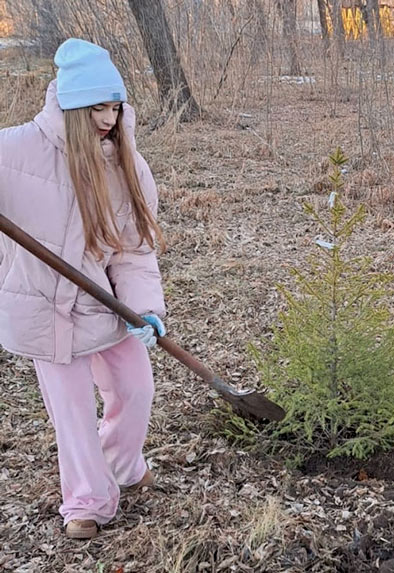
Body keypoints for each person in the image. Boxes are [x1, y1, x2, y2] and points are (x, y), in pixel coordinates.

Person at [0, 38, 167, 539]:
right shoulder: (15, 150)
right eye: (97, 108)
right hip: (41, 310)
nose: (109, 118)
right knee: (71, 414)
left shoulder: (126, 167)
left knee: (136, 389)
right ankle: (87, 500)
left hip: (104, 305)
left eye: (115, 107)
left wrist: (144, 309)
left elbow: (135, 251)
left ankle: (119, 466)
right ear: (72, 107)